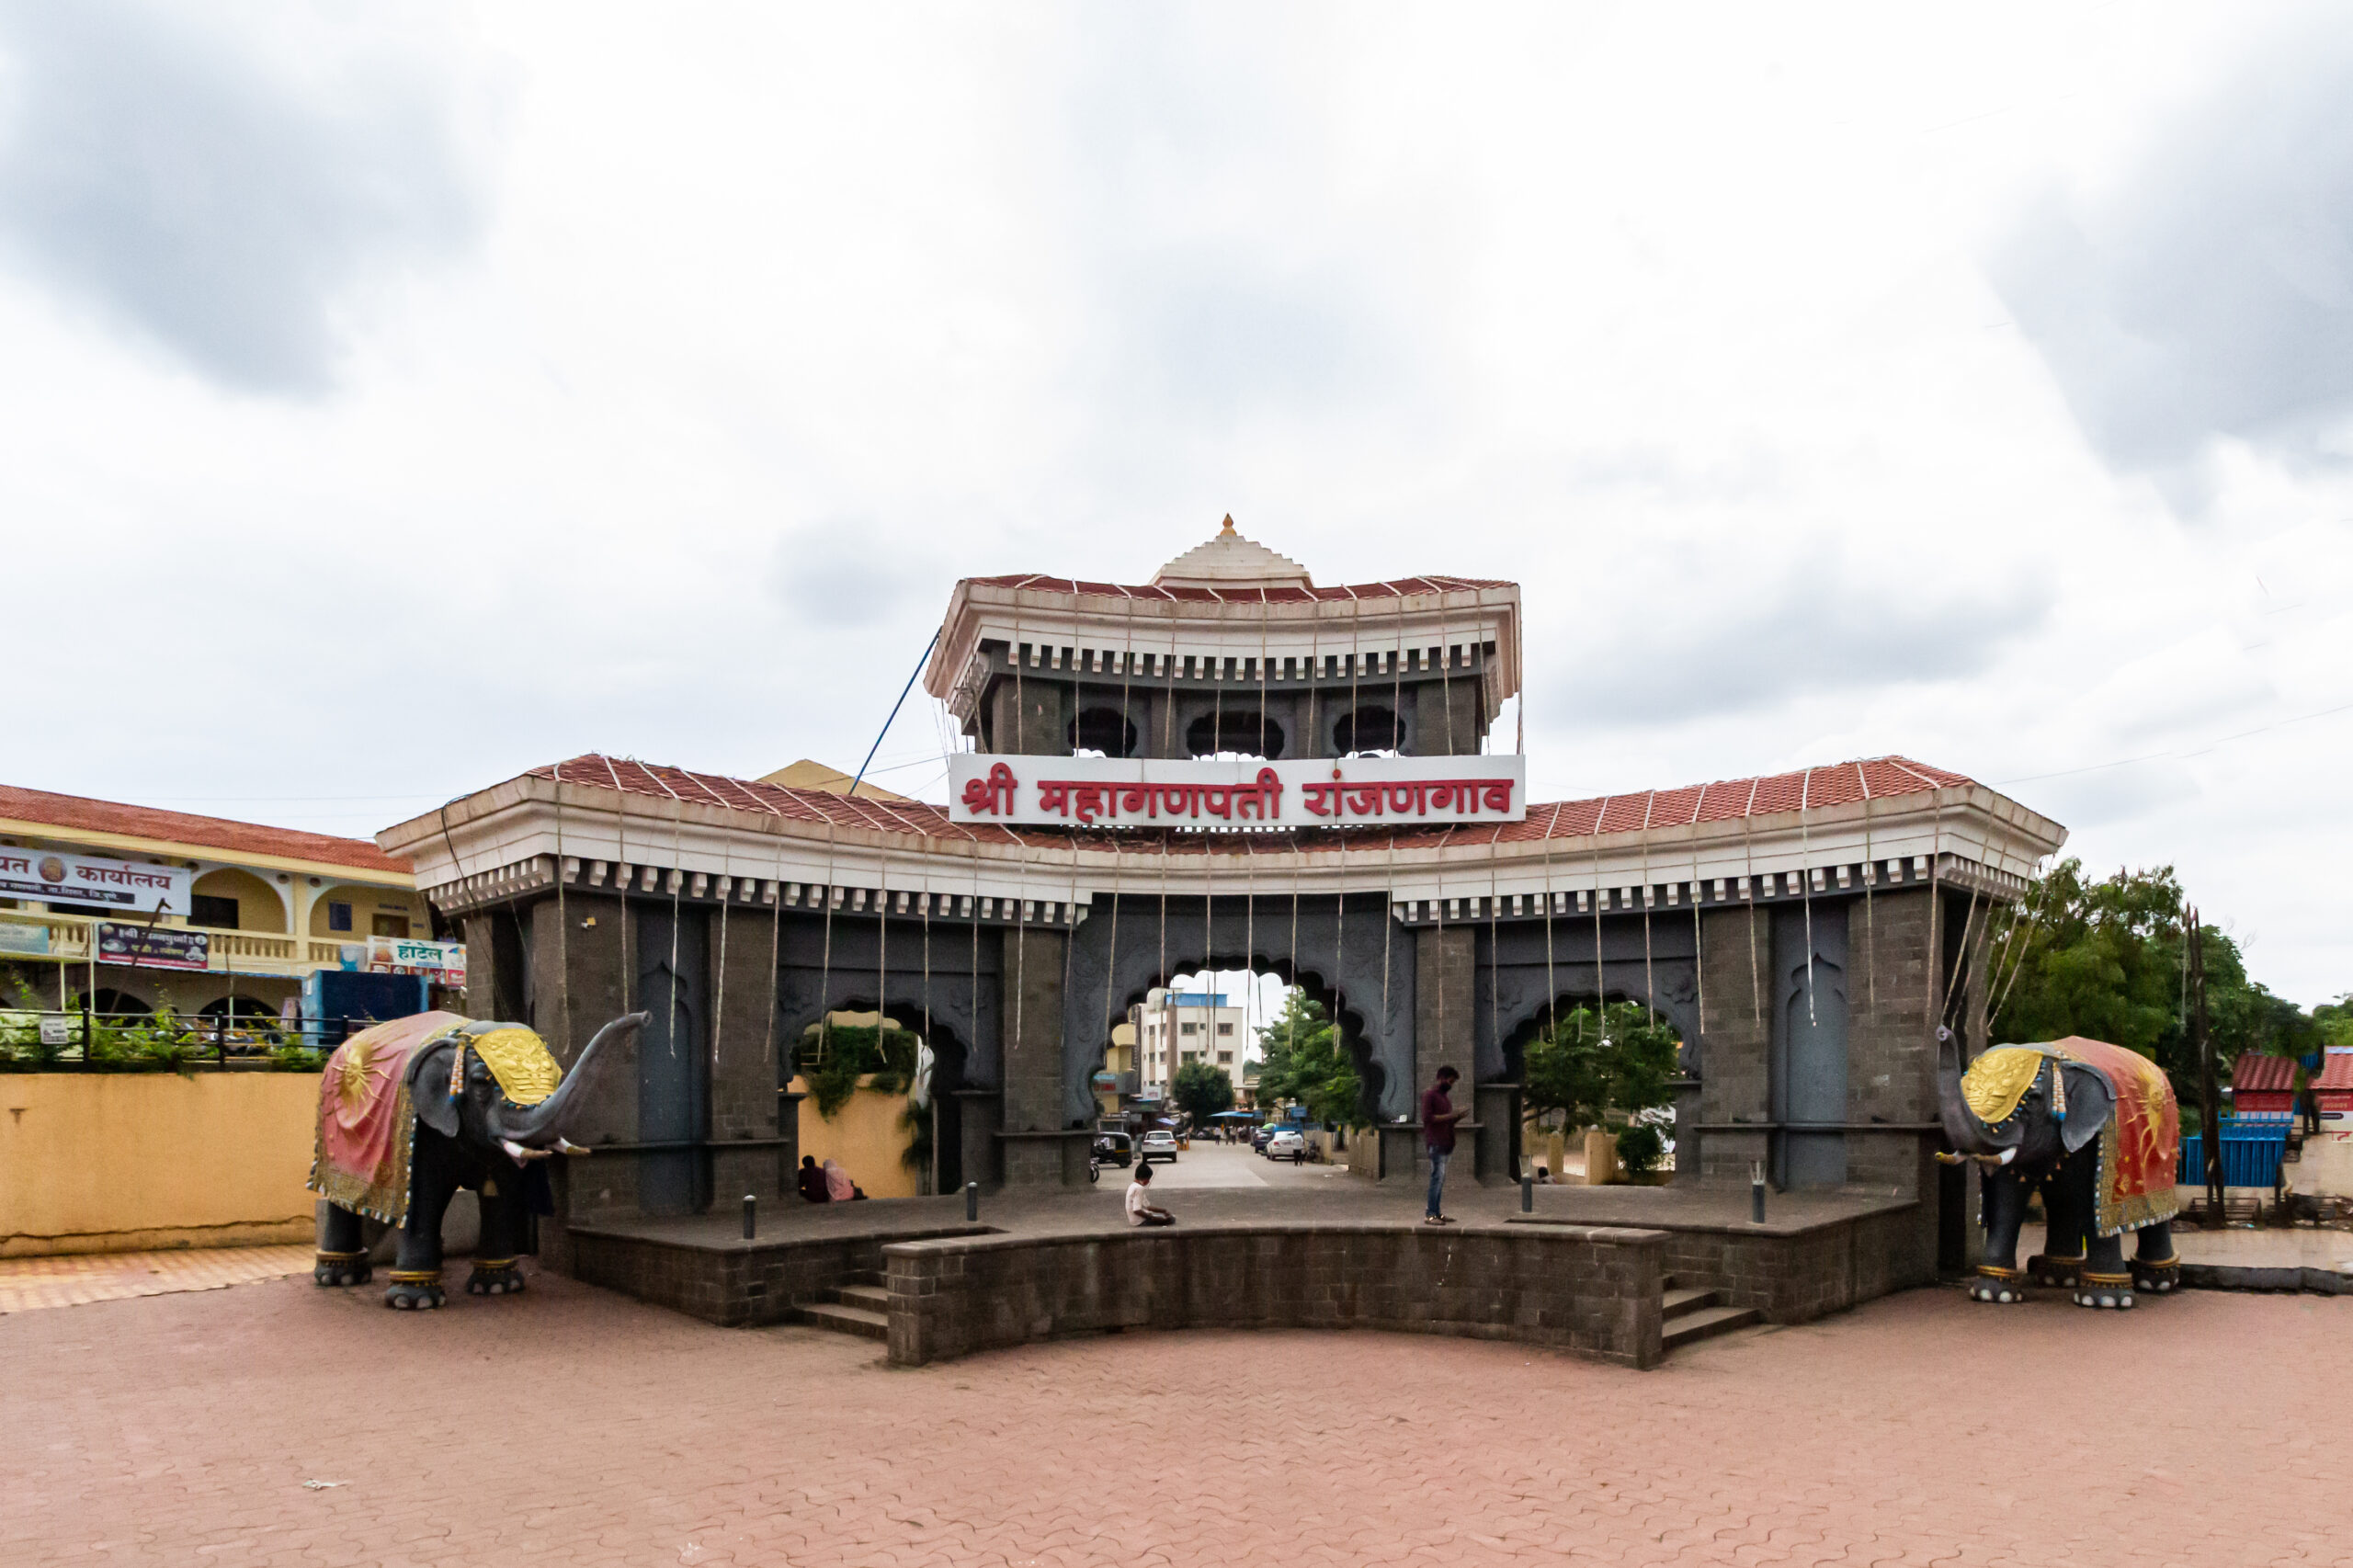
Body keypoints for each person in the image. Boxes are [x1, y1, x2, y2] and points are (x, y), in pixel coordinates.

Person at [1421, 1064, 1470, 1225]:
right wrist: (1451, 1115)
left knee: (1440, 1179)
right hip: (1435, 1143)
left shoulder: (1445, 1098)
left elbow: (1448, 1120)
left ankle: (1437, 1212)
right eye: (1450, 1081)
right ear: (1441, 1078)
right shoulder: (1430, 1095)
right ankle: (1430, 1214)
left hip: (1446, 1143)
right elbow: (1428, 1119)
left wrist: (1458, 1117)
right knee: (1437, 1178)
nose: (1451, 1085)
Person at [1125, 1161, 1176, 1227]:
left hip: (1133, 1220)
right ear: (1144, 1178)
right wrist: (1154, 1218)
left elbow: (1148, 1207)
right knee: (1171, 1219)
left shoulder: (1132, 1186)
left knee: (1165, 1216)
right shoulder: (1139, 1188)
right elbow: (1137, 1210)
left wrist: (1164, 1211)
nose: (1148, 1182)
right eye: (1148, 1179)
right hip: (1140, 1221)